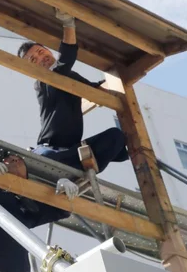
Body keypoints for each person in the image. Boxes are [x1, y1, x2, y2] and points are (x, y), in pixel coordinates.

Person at [16, 10, 129, 175]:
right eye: (34, 60)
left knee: (116, 137)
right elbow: (66, 59)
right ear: (32, 68)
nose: (41, 58)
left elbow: (95, 90)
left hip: (72, 152)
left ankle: (78, 171)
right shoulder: (42, 83)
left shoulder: (67, 75)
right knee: (115, 146)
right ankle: (75, 172)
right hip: (49, 153)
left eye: (41, 52)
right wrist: (69, 24)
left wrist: (119, 84)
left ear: (47, 50)